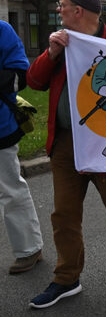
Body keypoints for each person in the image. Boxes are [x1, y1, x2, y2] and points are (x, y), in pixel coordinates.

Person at [26, 0, 106, 309]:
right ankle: (66, 278)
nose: (59, 10)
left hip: (99, 142)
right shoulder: (62, 44)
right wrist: (51, 53)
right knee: (64, 214)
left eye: (63, 5)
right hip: (65, 143)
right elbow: (34, 81)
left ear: (78, 11)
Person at [0, 21, 44, 274]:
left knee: (10, 189)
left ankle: (29, 249)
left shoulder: (2, 30)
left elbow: (20, 77)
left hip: (1, 127)